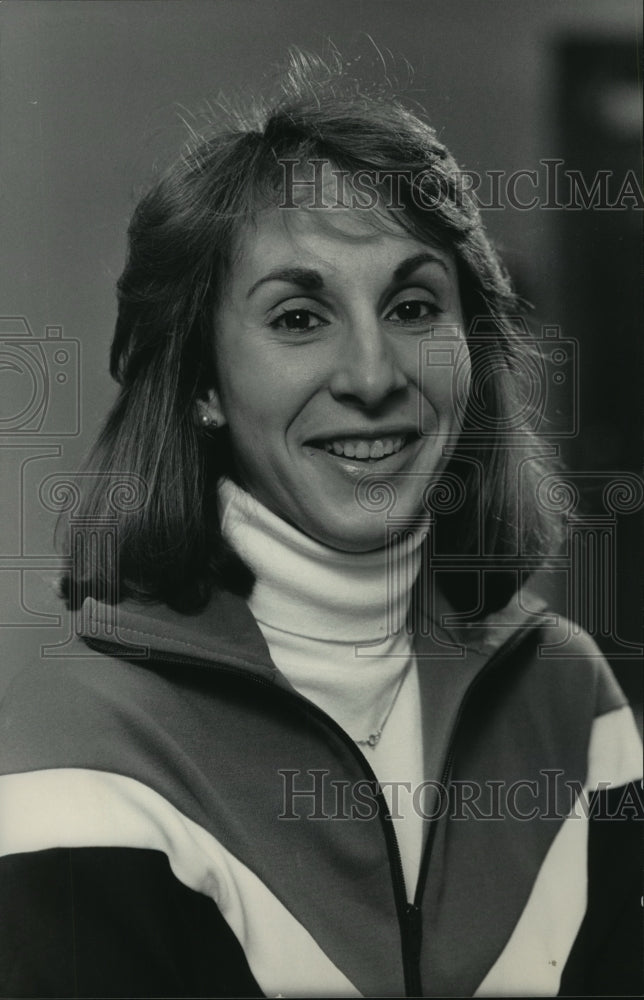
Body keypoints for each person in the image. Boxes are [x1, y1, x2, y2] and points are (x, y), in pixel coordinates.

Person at [0, 53, 641, 998]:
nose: (373, 376)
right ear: (203, 384)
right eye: (299, 318)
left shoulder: (572, 705)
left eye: (415, 305)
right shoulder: (80, 747)